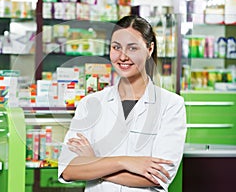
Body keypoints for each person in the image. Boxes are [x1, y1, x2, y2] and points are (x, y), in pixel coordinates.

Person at [58, 15, 187, 192]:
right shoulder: (90, 103)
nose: (123, 56)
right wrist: (124, 162)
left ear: (149, 49)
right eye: (116, 47)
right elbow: (68, 170)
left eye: (132, 48)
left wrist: (94, 162)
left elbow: (159, 176)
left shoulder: (170, 105)